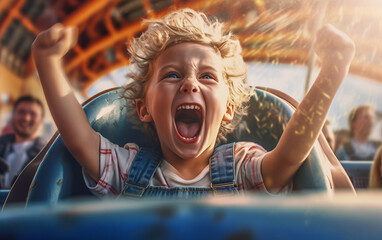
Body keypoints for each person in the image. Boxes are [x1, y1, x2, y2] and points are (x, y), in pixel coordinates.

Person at [32, 9, 355, 198]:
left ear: (228, 108)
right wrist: (46, 60)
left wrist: (332, 72)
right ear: (144, 108)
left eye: (208, 77)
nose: (190, 83)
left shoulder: (242, 167)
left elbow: (288, 158)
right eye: (172, 75)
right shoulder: (127, 167)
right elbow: (78, 139)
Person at [0, 96, 46, 189]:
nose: (26, 118)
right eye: (21, 112)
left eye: (33, 114)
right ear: (13, 115)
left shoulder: (46, 153)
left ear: (41, 120)